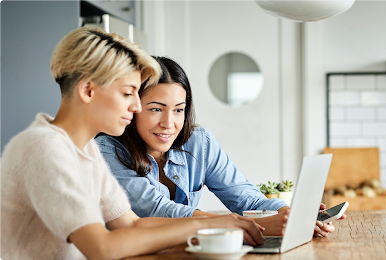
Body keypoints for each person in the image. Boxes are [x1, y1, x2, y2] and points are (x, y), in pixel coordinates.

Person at [0, 27, 264, 260]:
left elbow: (131, 225)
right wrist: (204, 225)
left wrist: (219, 224)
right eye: (128, 93)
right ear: (88, 90)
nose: (137, 106)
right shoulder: (45, 149)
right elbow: (101, 249)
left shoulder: (85, 148)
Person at [96, 56, 343, 237]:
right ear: (134, 107)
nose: (169, 123)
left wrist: (292, 215)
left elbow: (245, 197)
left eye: (179, 110)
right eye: (156, 109)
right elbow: (156, 210)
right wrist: (241, 224)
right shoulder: (108, 150)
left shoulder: (198, 142)